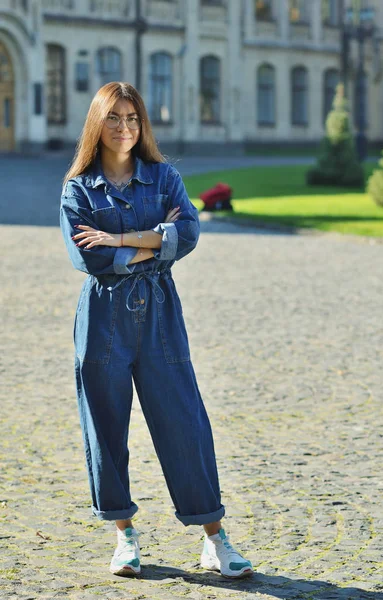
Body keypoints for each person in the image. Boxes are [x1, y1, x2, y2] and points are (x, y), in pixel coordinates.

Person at [60, 81, 254, 579]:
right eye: (114, 118)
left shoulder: (163, 176)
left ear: (142, 124)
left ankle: (215, 538)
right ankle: (124, 534)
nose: (125, 127)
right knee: (105, 426)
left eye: (133, 117)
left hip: (161, 315)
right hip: (104, 319)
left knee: (184, 420)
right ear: (96, 124)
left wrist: (123, 238)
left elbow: (187, 232)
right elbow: (89, 256)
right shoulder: (78, 188)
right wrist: (155, 242)